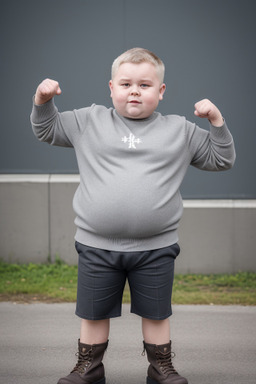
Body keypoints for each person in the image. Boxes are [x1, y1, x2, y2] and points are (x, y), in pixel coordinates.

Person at [30, 48, 236, 384]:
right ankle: (89, 368)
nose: (135, 90)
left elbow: (221, 158)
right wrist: (42, 99)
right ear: (111, 87)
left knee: (156, 313)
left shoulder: (180, 131)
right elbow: (47, 129)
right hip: (96, 245)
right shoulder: (88, 121)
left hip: (156, 247)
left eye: (145, 84)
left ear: (161, 91)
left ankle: (161, 368)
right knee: (93, 313)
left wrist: (216, 121)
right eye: (126, 84)